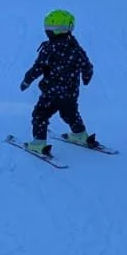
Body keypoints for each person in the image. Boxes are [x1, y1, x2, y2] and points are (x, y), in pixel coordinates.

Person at [19, 9, 98, 155]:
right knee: (70, 113)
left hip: (52, 93)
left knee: (40, 115)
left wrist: (27, 80)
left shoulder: (49, 49)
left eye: (48, 29)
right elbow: (87, 65)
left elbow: (38, 67)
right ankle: (80, 134)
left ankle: (39, 143)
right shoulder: (75, 47)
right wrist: (86, 77)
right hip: (70, 92)